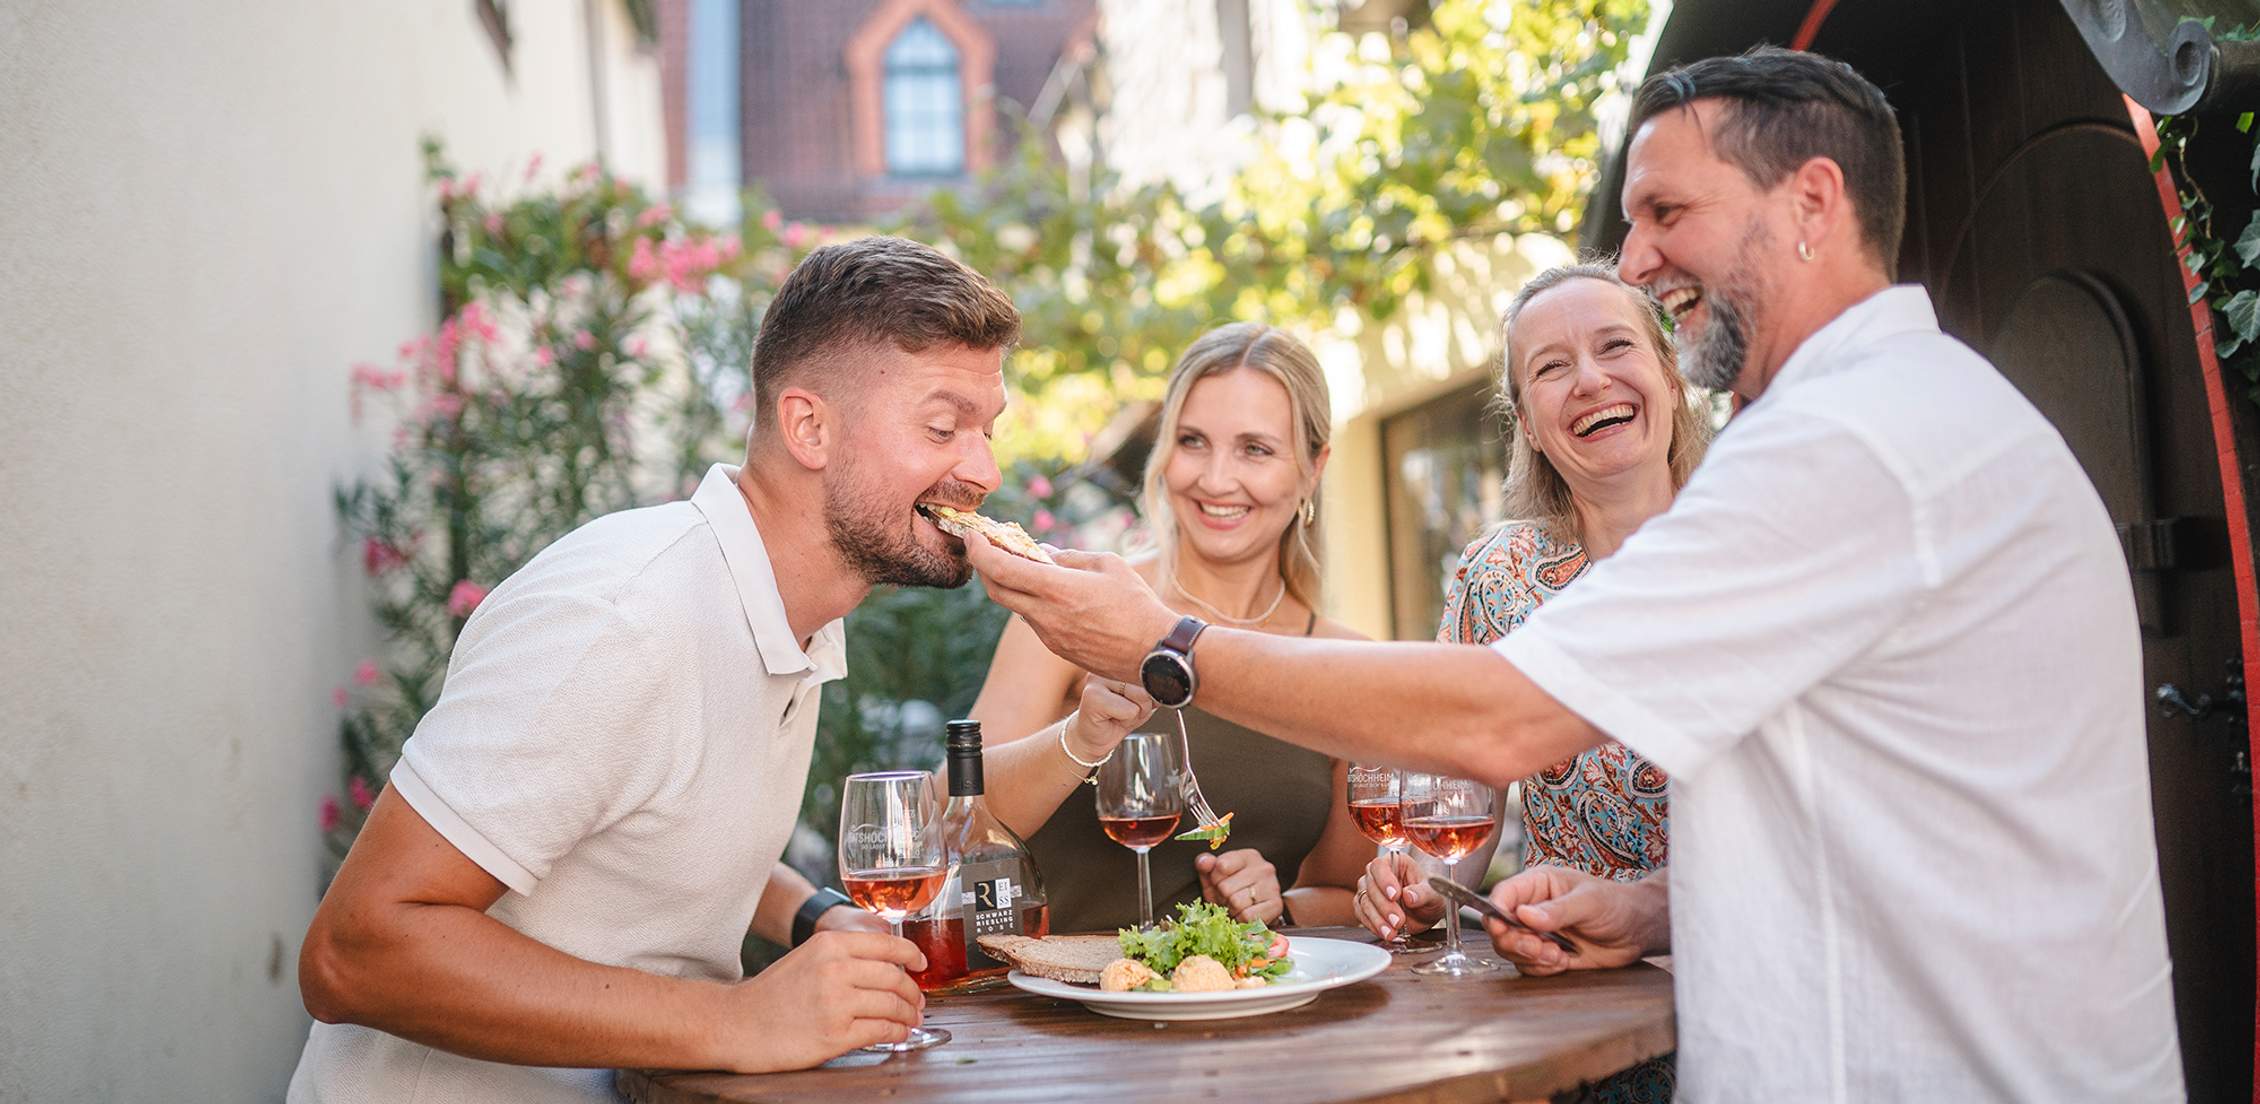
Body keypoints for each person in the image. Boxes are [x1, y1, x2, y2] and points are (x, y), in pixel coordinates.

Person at [962, 47, 2183, 1101]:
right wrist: (1659, 913)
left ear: (1811, 199)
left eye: (1666, 213)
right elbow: (1887, 812)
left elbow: (1504, 718)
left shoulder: (1847, 442)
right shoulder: (1886, 420)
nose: (1638, 260)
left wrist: (1165, 645)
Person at [289, 236, 1024, 1101]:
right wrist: (741, 1020)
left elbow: (651, 831)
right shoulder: (621, 619)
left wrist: (816, 916)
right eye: (943, 428)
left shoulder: (788, 611)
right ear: (809, 426)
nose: (984, 470)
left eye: (986, 430)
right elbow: (354, 951)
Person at [1354, 264, 1706, 1102]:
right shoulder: (1496, 574)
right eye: (1551, 367)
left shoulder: (1756, 545)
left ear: (1669, 377)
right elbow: (1464, 802)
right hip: (1567, 1006)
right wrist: (1416, 881)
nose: (1590, 380)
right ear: (1531, 428)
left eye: (1616, 347)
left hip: (1745, 988)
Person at [969, 323, 1377, 932]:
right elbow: (965, 820)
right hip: (1053, 1008)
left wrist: (1281, 905)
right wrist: (1080, 737)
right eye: (1193, 441)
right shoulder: (1079, 601)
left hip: (1245, 1012)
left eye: (1255, 449)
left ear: (1314, 467)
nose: (1215, 479)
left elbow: (1348, 893)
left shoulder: (1349, 667)